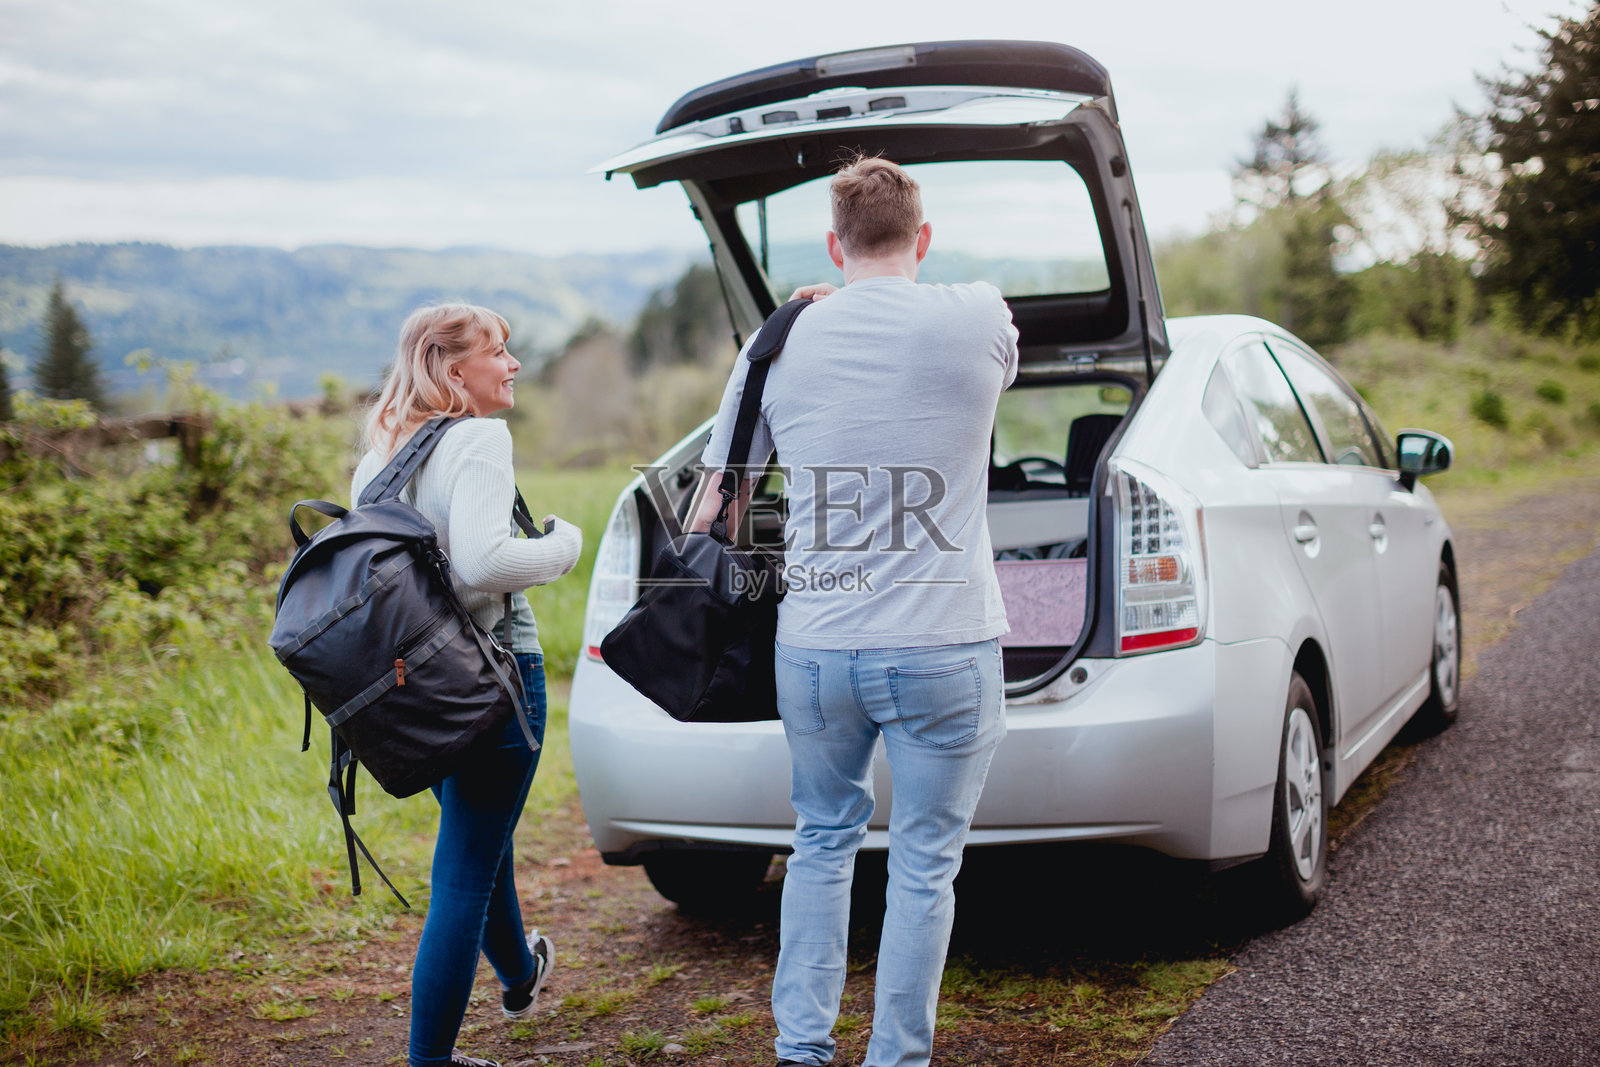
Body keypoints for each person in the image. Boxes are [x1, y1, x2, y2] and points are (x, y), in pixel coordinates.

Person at [690, 155, 1019, 1067]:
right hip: (947, 643)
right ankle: (895, 1057)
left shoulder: (778, 341)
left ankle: (801, 1047)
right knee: (923, 867)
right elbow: (998, 380)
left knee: (822, 842)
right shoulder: (980, 313)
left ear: (834, 245)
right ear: (922, 238)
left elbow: (713, 508)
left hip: (819, 648)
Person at [351, 303, 583, 1067]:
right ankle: (431, 1060)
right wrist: (559, 547)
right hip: (493, 682)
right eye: (498, 352)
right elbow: (484, 563)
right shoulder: (480, 437)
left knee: (481, 843)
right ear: (455, 370)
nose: (512, 365)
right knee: (463, 873)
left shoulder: (382, 449)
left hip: (412, 687)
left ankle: (520, 973)